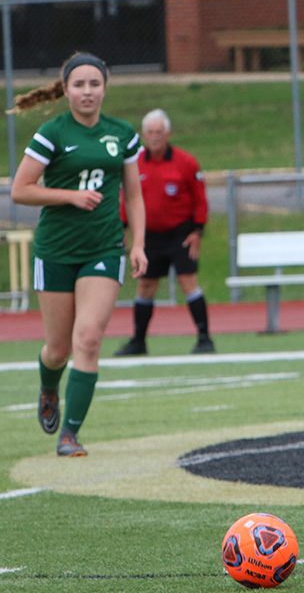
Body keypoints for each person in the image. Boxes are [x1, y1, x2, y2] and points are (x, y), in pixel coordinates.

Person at [9, 52, 147, 457]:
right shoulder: (53, 132)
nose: (87, 92)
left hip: (103, 249)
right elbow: (21, 189)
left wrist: (137, 243)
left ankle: (70, 434)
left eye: (94, 84)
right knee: (58, 349)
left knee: (88, 339)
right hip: (55, 249)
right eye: (79, 85)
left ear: (105, 87)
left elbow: (135, 196)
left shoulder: (122, 133)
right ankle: (49, 387)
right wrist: (70, 195)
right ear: (65, 89)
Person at [114, 109, 214, 356]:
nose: (155, 136)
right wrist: (123, 227)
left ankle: (204, 338)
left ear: (167, 133)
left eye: (159, 132)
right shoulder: (134, 163)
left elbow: (200, 199)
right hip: (148, 235)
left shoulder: (185, 162)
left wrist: (197, 231)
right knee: (145, 286)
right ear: (144, 135)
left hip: (180, 234)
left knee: (188, 283)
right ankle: (138, 341)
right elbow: (127, 197)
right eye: (150, 132)